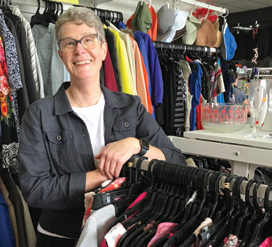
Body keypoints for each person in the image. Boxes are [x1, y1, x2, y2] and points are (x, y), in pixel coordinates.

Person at [18, 7, 185, 247]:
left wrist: (136, 144)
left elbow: (176, 162)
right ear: (61, 54)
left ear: (104, 49)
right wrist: (101, 175)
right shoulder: (39, 114)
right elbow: (35, 189)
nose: (80, 49)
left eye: (89, 40)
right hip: (60, 238)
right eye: (69, 43)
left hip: (122, 236)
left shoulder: (132, 108)